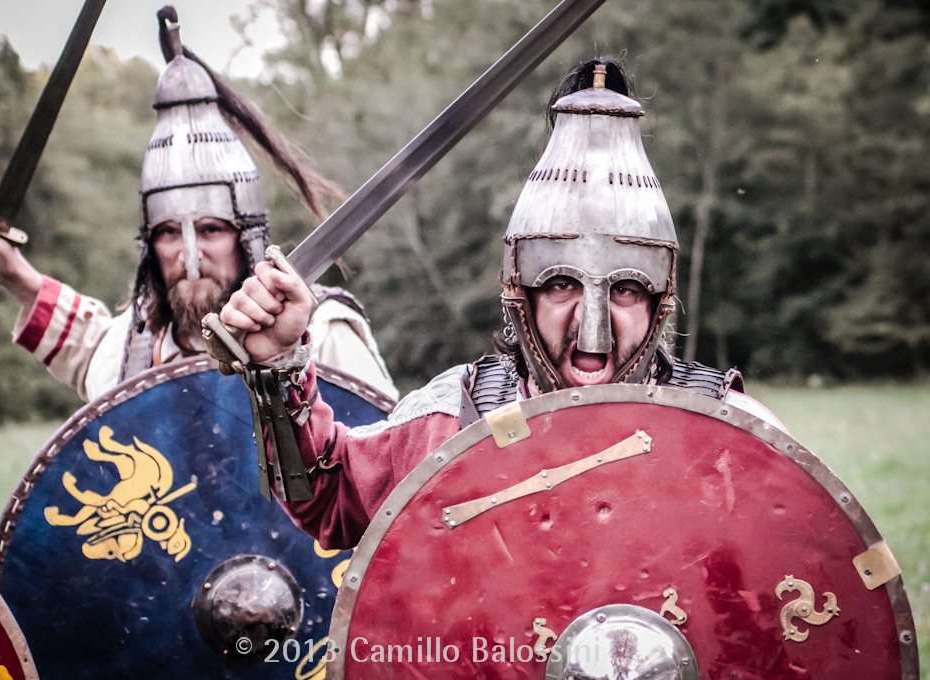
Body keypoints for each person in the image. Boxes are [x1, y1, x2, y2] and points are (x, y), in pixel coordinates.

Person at [218, 58, 783, 550]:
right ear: (522, 292)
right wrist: (279, 363)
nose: (594, 331)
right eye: (562, 285)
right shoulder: (452, 423)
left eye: (626, 290)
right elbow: (331, 497)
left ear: (660, 301)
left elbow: (818, 576)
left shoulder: (732, 434)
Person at [0, 9, 397, 403]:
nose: (189, 254)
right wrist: (15, 275)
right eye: (168, 232)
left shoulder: (322, 336)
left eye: (210, 229)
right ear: (150, 246)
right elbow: (86, 342)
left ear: (247, 235)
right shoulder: (131, 354)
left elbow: (397, 470)